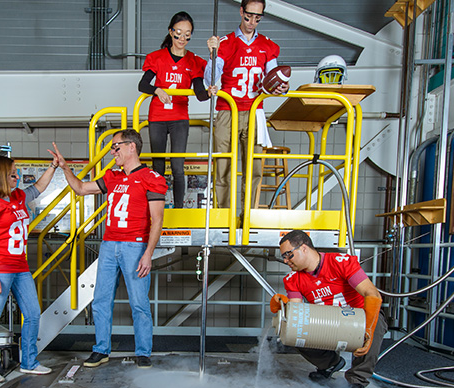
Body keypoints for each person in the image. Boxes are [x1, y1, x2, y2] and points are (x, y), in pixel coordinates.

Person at [48, 129, 167, 369]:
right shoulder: (112, 176)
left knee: (139, 303)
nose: (113, 152)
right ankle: (101, 349)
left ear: (132, 147)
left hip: (135, 246)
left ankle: (143, 352)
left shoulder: (151, 177)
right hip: (109, 245)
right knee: (101, 300)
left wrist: (148, 254)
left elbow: (157, 220)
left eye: (116, 147)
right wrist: (64, 167)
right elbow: (81, 188)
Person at [0, 155, 57, 383]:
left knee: (32, 313)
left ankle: (29, 362)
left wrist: (53, 166)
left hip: (20, 267)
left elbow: (38, 188)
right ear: (0, 176)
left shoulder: (18, 196)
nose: (16, 177)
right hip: (0, 269)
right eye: (11, 174)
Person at [270, 230, 386, 388]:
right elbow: (295, 311)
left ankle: (357, 381)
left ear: (304, 248)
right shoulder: (293, 278)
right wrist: (283, 305)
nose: (285, 260)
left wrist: (369, 331)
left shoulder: (340, 262)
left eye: (288, 255)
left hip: (357, 319)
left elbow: (372, 294)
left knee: (377, 322)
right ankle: (330, 363)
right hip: (327, 323)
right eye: (283, 256)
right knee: (293, 329)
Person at [204, 0, 289, 209]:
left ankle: (248, 214)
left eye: (257, 18)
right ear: (241, 11)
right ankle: (223, 214)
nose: (252, 22)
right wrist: (212, 55)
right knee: (223, 165)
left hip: (255, 111)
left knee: (254, 166)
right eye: (248, 16)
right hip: (228, 110)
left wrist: (281, 87)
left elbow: (275, 78)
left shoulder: (267, 46)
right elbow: (210, 79)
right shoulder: (225, 42)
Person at [138, 11, 211, 209]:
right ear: (171, 32)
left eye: (187, 34)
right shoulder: (158, 57)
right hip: (158, 116)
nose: (182, 38)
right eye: (178, 33)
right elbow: (142, 85)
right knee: (158, 165)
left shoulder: (193, 61)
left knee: (178, 166)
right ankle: (157, 207)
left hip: (179, 117)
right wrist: (157, 90)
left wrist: (210, 92)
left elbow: (199, 92)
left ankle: (179, 209)